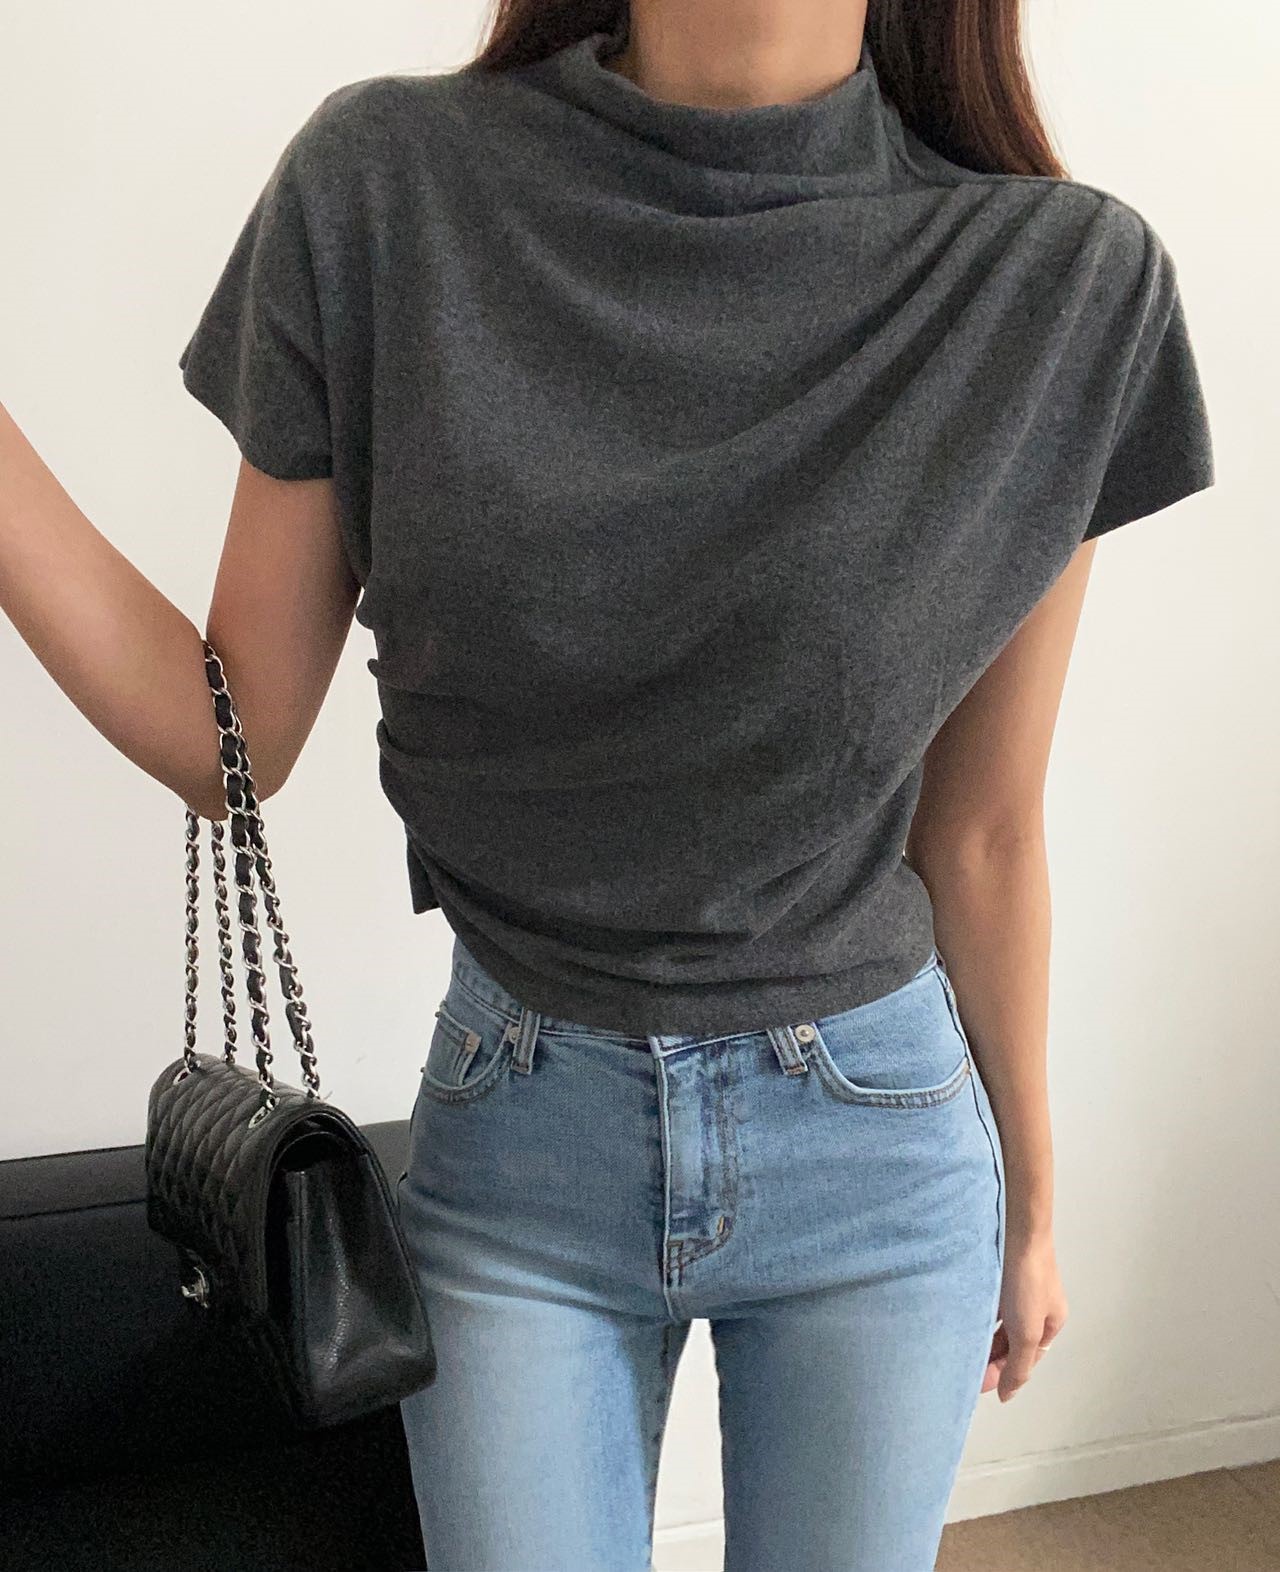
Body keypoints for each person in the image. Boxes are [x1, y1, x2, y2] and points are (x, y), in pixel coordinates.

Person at [0, 1, 1214, 1568]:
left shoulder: (1057, 283)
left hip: (879, 1157)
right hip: (520, 1153)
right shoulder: (386, 190)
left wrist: (1035, 1202)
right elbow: (226, 729)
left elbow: (979, 828)